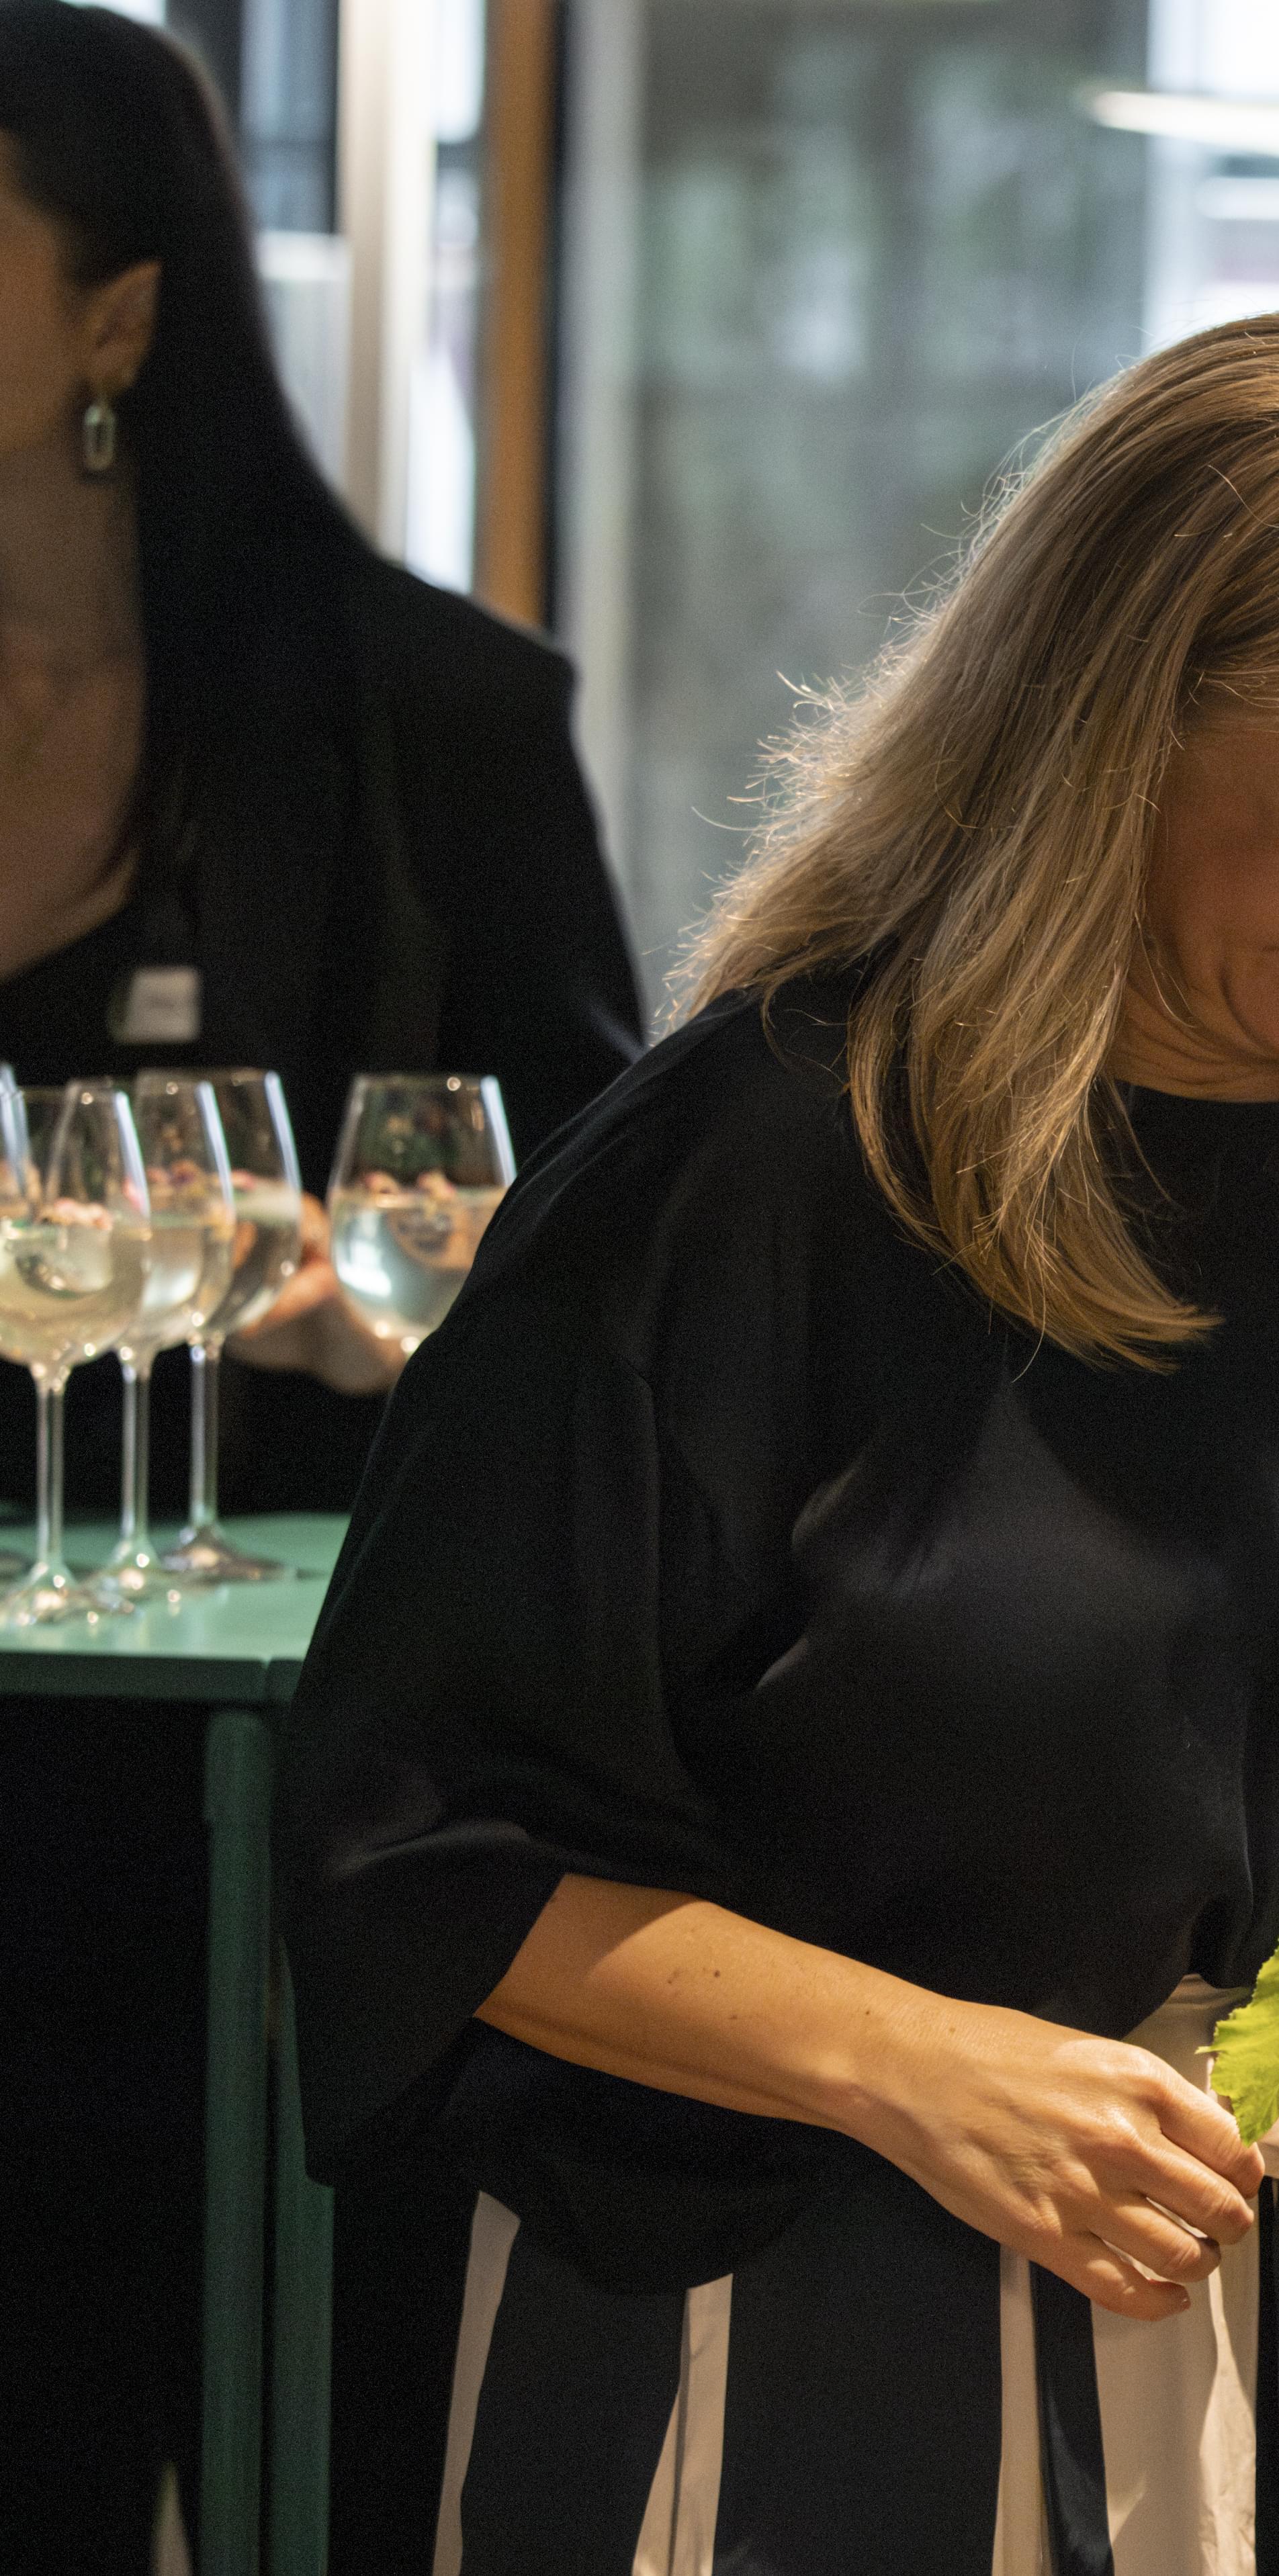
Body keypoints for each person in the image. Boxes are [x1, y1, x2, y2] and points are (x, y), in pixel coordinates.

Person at [272, 302, 1279, 2571]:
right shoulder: (762, 1168)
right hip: (800, 2350)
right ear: (1107, 748)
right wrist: (923, 2066)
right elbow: (415, 1856)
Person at [0, 7, 640, 2563]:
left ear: (117, 320)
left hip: (286, 1813)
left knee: (317, 2476)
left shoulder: (422, 725)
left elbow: (590, 1246)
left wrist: (366, 1296)